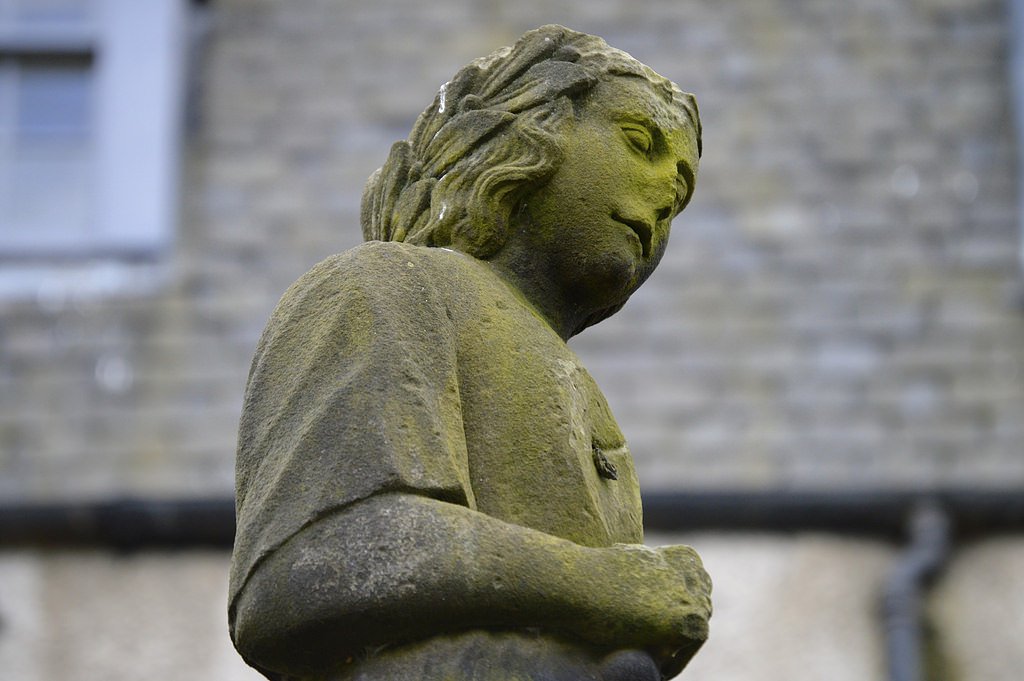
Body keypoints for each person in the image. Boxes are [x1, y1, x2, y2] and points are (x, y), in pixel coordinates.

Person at [229, 25, 709, 681]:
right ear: (528, 126)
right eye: (639, 142)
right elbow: (305, 565)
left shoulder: (583, 394)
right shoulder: (384, 287)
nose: (662, 194)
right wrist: (602, 583)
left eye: (679, 192)